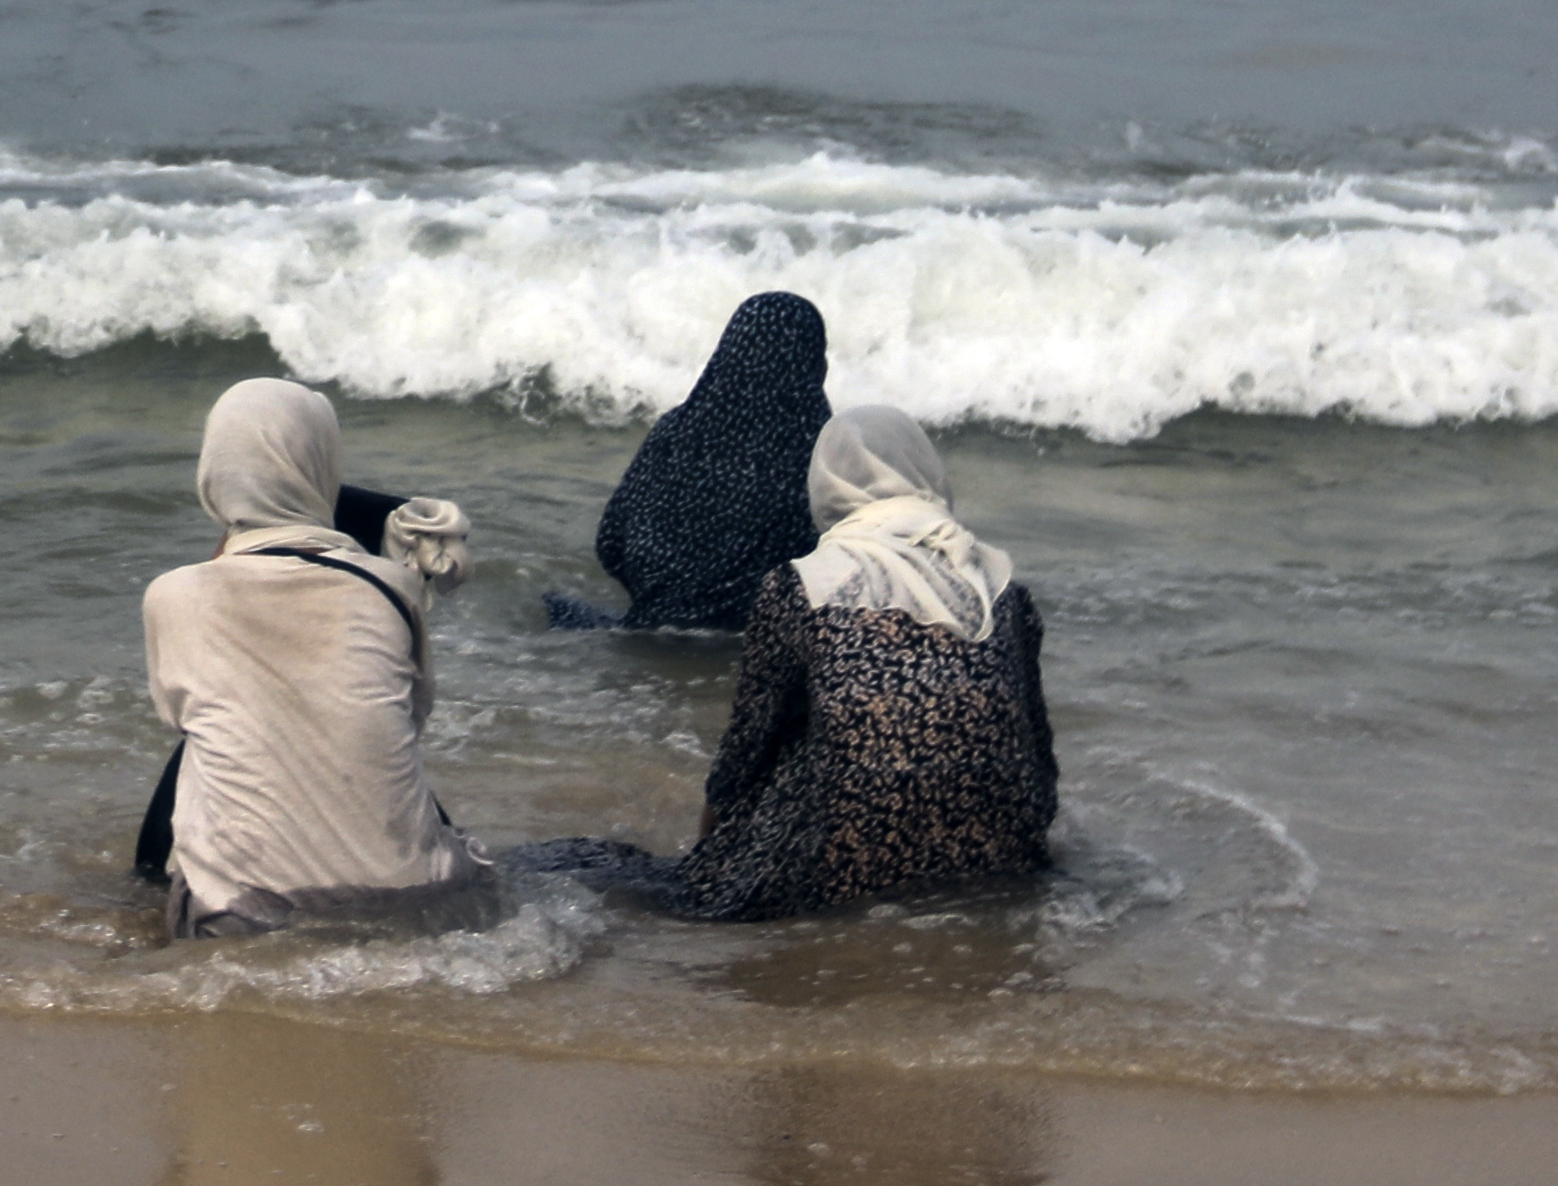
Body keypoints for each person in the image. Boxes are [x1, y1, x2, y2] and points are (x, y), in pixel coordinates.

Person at [519, 405, 1057, 920]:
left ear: (828, 485)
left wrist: (710, 858)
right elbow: (1037, 754)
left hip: (845, 864)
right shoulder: (1002, 584)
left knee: (605, 873)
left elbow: (748, 749)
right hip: (1000, 857)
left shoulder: (802, 584)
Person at [142, 378, 486, 938]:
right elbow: (411, 718)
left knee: (208, 741)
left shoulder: (174, 595)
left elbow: (185, 722)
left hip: (244, 917)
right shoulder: (390, 588)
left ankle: (142, 890)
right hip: (418, 898)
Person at [543, 291, 832, 630]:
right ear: (811, 361)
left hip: (651, 628)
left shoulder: (676, 429)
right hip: (750, 640)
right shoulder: (819, 446)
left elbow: (610, 543)